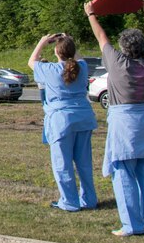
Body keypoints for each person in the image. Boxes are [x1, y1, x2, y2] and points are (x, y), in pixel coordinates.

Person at [85, 0, 144, 237]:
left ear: (123, 48)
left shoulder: (118, 63)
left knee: (123, 175)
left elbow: (102, 38)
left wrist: (91, 14)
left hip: (124, 124)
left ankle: (132, 225)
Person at [29, 33, 98, 212]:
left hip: (61, 120)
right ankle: (89, 199)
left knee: (62, 163)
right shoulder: (81, 67)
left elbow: (32, 62)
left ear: (57, 52)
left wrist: (42, 41)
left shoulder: (51, 69)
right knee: (84, 162)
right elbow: (79, 58)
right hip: (83, 118)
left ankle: (69, 201)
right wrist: (70, 41)